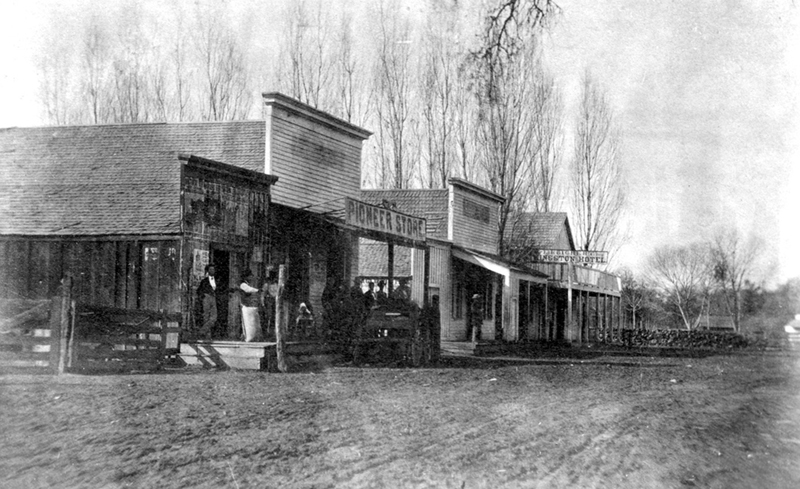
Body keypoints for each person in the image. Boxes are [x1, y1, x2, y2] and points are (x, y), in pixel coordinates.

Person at [196, 264, 219, 340]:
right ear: (208, 271)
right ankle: (207, 335)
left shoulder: (217, 280)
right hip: (206, 298)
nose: (212, 271)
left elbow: (219, 289)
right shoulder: (204, 281)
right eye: (210, 270)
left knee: (214, 317)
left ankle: (202, 331)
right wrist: (203, 296)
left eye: (213, 269)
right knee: (206, 316)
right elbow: (199, 290)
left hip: (214, 298)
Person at [240, 270, 262, 342]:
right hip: (245, 305)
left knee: (252, 322)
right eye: (250, 276)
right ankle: (247, 337)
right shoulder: (243, 284)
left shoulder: (249, 284)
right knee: (247, 322)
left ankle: (252, 337)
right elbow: (248, 290)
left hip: (249, 305)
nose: (251, 277)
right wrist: (257, 290)